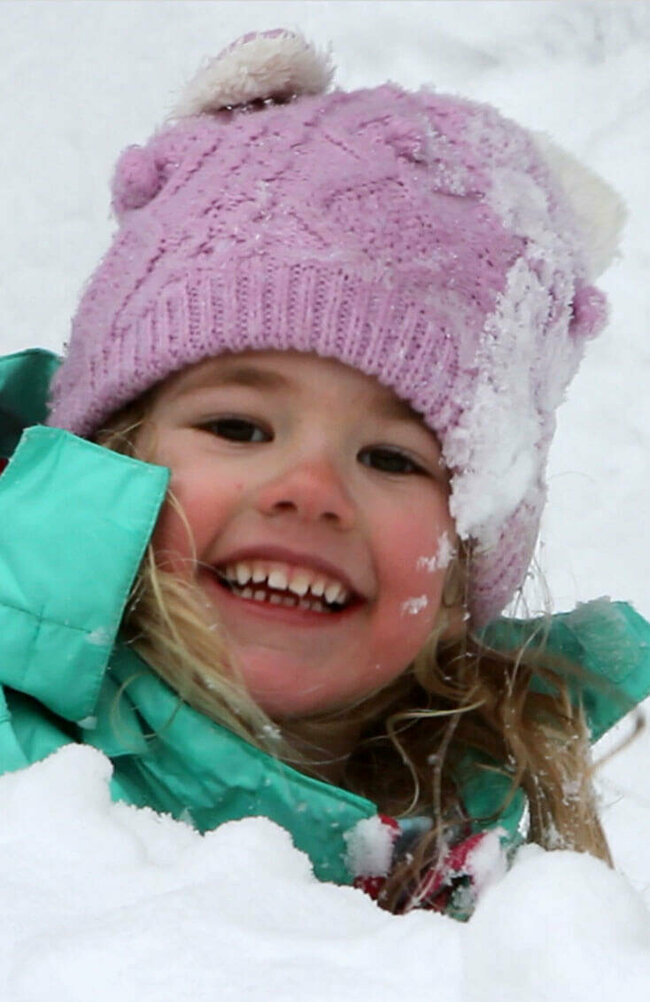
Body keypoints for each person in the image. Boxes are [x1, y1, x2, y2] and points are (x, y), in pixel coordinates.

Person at [1, 29, 649, 921]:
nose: (308, 489)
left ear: (463, 574)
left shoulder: (486, 876)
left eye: (391, 458)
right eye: (238, 425)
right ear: (111, 457)